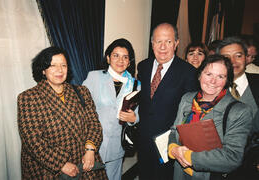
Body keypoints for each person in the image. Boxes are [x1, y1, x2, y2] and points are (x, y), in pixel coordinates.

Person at [17, 46, 107, 179]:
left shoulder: (82, 92)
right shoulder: (28, 98)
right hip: (49, 168)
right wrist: (61, 163)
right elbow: (32, 141)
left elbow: (94, 123)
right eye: (53, 65)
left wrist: (90, 150)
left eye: (63, 65)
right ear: (43, 70)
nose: (59, 70)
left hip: (84, 161)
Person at [168, 54, 252, 180]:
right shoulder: (187, 99)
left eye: (220, 76)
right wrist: (173, 148)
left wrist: (189, 156)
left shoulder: (239, 111)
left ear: (227, 80)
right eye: (209, 74)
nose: (213, 81)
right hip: (180, 173)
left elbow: (232, 157)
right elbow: (174, 131)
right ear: (200, 75)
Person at [137, 23, 199, 180]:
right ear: (152, 44)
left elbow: (189, 113)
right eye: (158, 41)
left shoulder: (188, 72)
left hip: (169, 146)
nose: (163, 47)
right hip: (143, 141)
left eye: (168, 41)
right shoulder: (143, 66)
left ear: (176, 44)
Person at [83, 38, 140, 180]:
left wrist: (134, 118)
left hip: (117, 145)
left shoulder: (135, 84)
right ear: (108, 58)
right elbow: (81, 108)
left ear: (129, 61)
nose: (120, 60)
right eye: (116, 55)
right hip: (93, 143)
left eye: (125, 57)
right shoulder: (94, 77)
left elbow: (138, 114)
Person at [216, 36, 259, 117]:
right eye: (226, 57)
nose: (233, 61)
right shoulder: (210, 85)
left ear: (246, 58)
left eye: (238, 56)